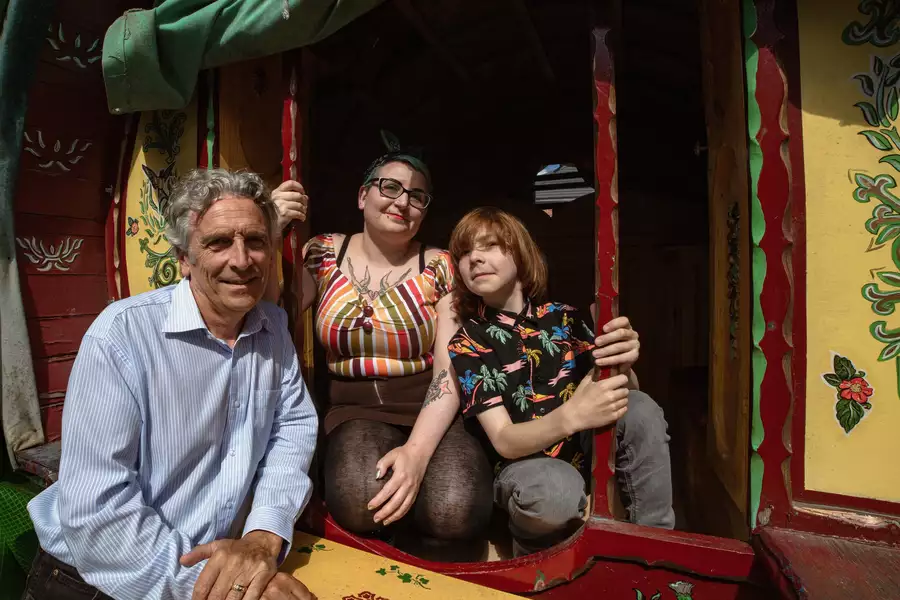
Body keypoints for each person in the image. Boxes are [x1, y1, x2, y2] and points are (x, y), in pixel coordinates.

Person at [24, 169, 318, 600]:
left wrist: (262, 535)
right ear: (184, 258)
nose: (241, 259)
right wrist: (234, 586)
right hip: (94, 582)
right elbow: (97, 513)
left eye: (256, 241)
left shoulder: (272, 328)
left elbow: (290, 431)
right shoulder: (122, 336)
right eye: (219, 242)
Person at [271, 149, 492, 557]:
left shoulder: (439, 265)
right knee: (360, 499)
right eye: (390, 187)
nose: (402, 201)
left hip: (432, 407)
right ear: (362, 196)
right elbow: (272, 315)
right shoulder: (322, 254)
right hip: (353, 410)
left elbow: (448, 370)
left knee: (455, 506)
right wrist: (271, 230)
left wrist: (416, 453)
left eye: (418, 196)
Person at [447, 207, 675, 556]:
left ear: (521, 256)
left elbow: (622, 395)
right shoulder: (467, 342)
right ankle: (535, 568)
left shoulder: (563, 318)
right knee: (555, 491)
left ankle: (656, 550)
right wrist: (573, 416)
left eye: (490, 246)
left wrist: (624, 365)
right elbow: (505, 441)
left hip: (584, 452)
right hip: (525, 469)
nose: (475, 258)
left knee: (641, 408)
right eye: (464, 253)